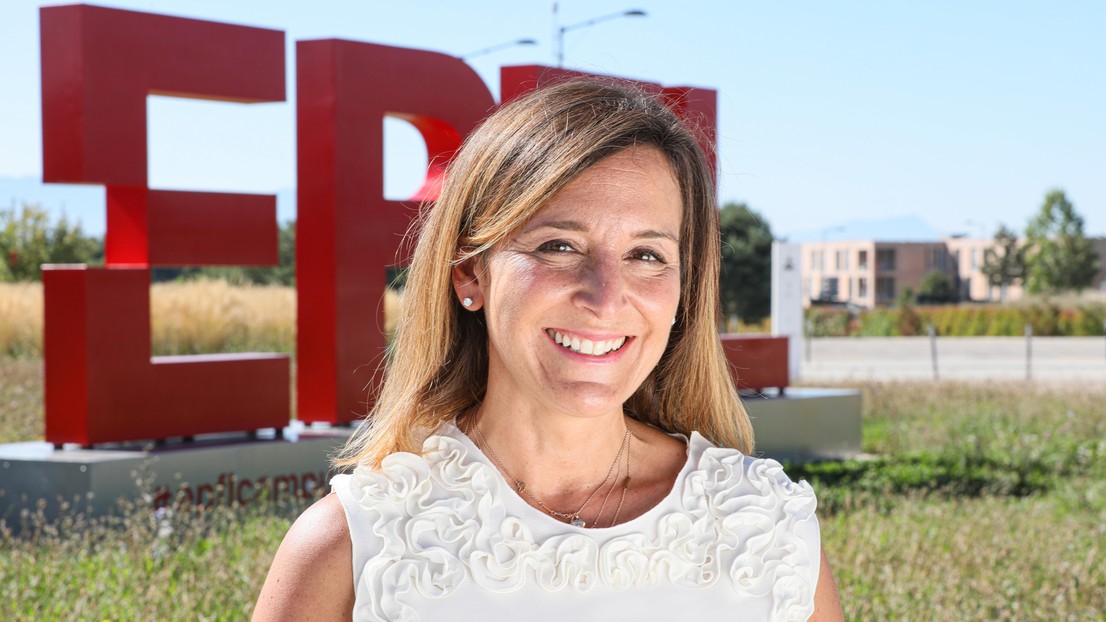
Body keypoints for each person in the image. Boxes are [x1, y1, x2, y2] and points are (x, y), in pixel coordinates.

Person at [254, 80, 844, 621]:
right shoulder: (349, 547)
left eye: (646, 255)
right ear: (468, 274)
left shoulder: (770, 530)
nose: (606, 298)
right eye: (559, 245)